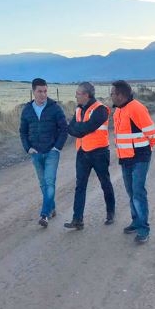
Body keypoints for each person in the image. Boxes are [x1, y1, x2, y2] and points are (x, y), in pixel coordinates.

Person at [110, 80, 155, 244]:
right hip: (125, 158)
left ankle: (144, 229)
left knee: (138, 192)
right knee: (131, 192)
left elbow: (152, 133)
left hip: (140, 157)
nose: (111, 96)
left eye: (112, 93)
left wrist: (146, 150)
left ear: (120, 95)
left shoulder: (136, 108)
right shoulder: (118, 110)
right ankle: (136, 221)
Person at [64, 82, 115, 230]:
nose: (76, 96)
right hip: (82, 152)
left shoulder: (100, 110)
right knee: (80, 186)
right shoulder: (79, 109)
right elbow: (71, 129)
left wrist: (76, 129)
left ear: (86, 95)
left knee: (105, 183)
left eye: (78, 93)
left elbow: (81, 129)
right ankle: (77, 219)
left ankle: (110, 213)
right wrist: (76, 129)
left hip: (99, 152)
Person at [20, 77, 68, 228]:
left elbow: (64, 128)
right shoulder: (27, 110)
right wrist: (28, 148)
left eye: (45, 91)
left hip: (52, 152)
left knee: (49, 182)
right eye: (40, 91)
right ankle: (51, 207)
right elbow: (23, 131)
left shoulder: (55, 108)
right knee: (43, 183)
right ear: (33, 92)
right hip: (36, 152)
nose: (43, 94)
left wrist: (57, 147)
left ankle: (44, 214)